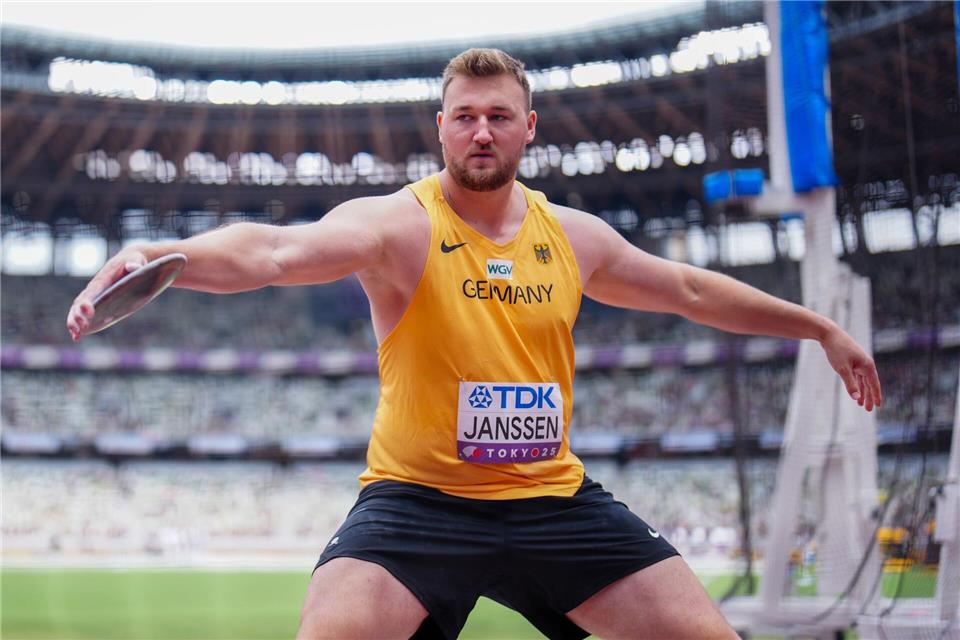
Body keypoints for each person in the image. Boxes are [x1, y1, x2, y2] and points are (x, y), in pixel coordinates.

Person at [67, 48, 882, 639]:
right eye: (465, 117)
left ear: (528, 128)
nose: (481, 132)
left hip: (553, 501)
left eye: (498, 117)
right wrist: (158, 258)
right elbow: (275, 252)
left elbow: (692, 290)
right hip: (417, 504)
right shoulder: (400, 225)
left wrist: (820, 327)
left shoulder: (575, 237)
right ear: (442, 130)